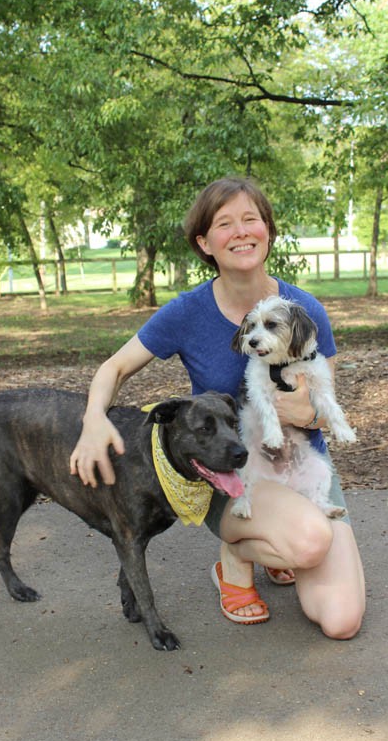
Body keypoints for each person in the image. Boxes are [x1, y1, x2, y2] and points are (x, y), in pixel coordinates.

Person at [70, 177, 365, 638]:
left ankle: (280, 535)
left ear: (268, 229)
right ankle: (237, 558)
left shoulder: (304, 310)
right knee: (309, 543)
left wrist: (305, 414)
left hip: (300, 462)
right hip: (236, 473)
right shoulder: (187, 312)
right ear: (205, 242)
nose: (241, 232)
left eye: (252, 219)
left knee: (341, 620)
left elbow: (325, 407)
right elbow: (114, 369)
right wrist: (93, 421)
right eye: (225, 224)